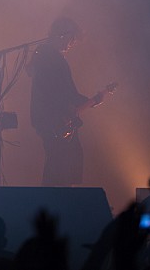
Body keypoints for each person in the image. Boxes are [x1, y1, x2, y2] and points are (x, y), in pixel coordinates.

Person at [28, 17, 101, 186]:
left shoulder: (43, 55)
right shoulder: (53, 58)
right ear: (62, 35)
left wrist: (90, 101)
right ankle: (58, 205)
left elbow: (62, 93)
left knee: (59, 165)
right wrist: (93, 100)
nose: (73, 43)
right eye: (72, 38)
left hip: (50, 121)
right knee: (62, 167)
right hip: (55, 122)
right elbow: (65, 93)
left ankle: (55, 204)